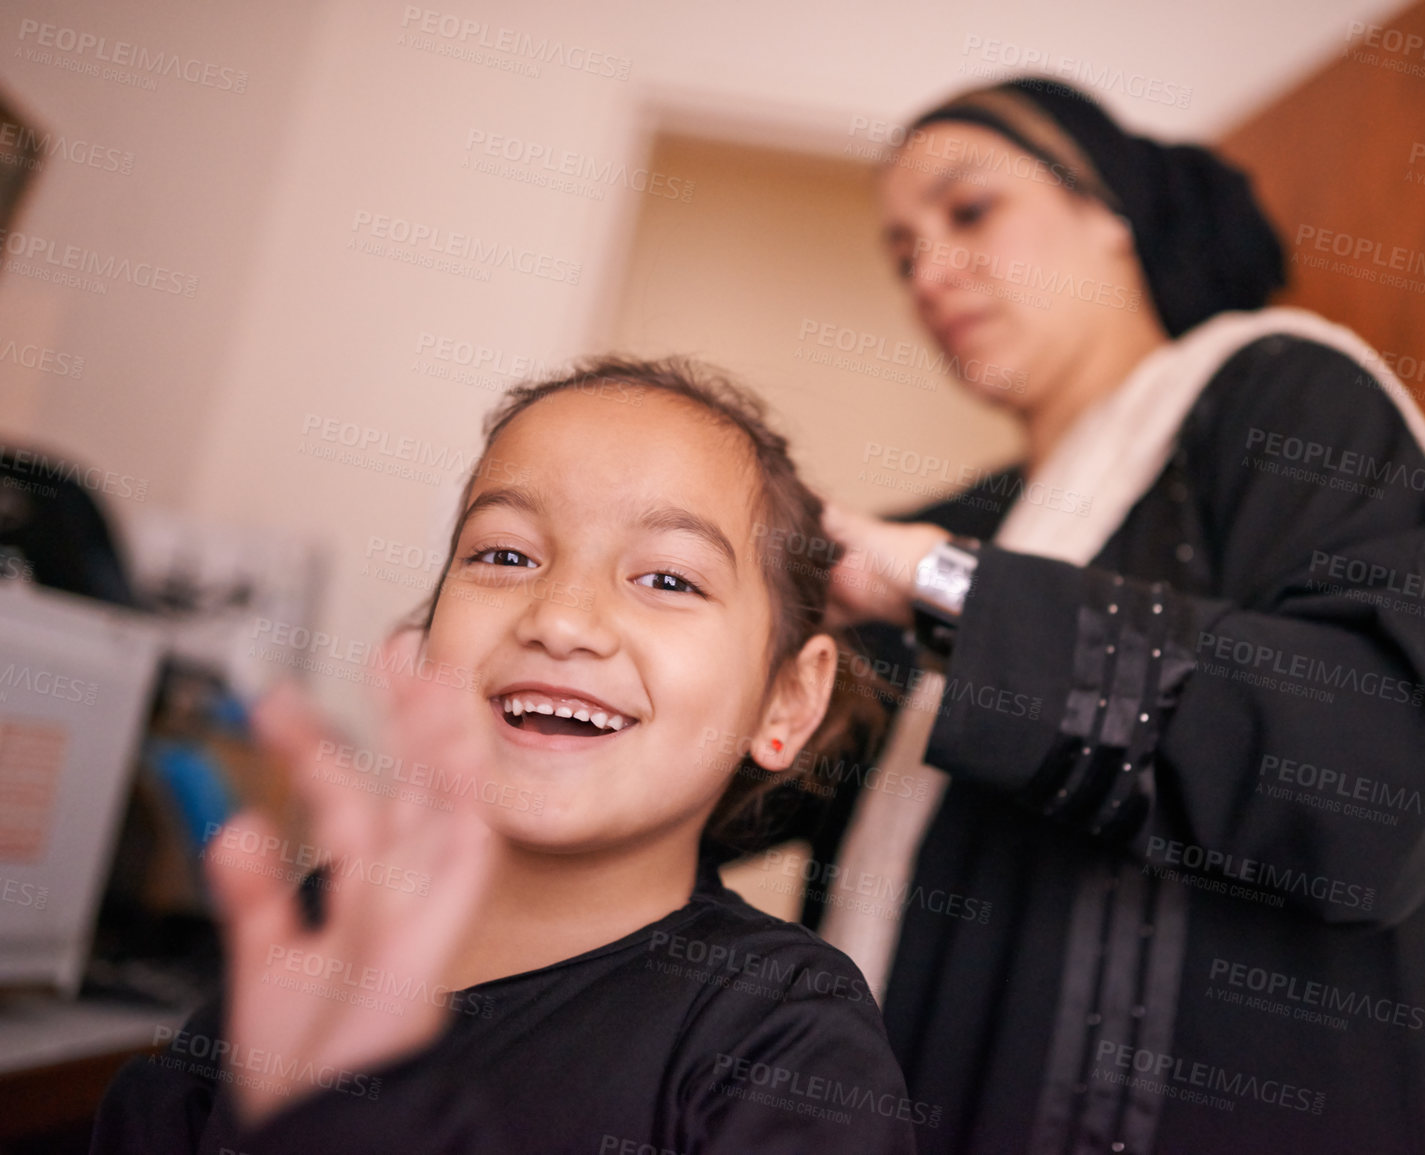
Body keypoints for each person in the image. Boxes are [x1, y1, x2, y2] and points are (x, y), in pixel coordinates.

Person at [802, 78, 1425, 1154]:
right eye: (903, 254)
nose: (931, 275)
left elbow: (1371, 779)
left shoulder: (1289, 397)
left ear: (1111, 210)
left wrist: (949, 589)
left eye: (968, 213)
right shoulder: (941, 533)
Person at [92, 357, 921, 1154]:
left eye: (669, 579)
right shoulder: (329, 928)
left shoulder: (785, 1031)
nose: (560, 619)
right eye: (504, 556)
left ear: (787, 701)